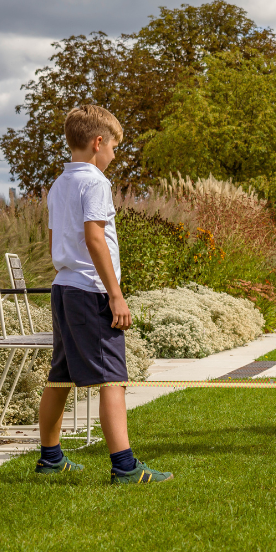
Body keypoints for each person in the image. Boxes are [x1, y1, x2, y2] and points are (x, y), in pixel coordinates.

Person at [34, 105, 170, 484]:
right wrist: (115, 295)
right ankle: (125, 467)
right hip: (90, 291)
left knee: (60, 376)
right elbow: (95, 238)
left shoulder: (59, 185)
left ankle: (50, 458)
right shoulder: (95, 182)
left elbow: (54, 241)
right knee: (112, 378)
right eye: (114, 147)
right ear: (98, 143)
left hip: (63, 288)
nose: (114, 155)